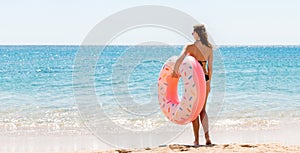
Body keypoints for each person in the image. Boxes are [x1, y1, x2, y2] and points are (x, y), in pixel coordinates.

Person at [172, 24, 213, 145]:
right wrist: (209, 82)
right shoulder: (209, 48)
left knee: (194, 111)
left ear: (197, 33)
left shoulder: (190, 47)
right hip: (205, 80)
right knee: (203, 110)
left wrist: (175, 73)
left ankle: (196, 140)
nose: (191, 34)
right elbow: (210, 68)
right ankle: (207, 138)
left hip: (194, 82)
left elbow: (179, 60)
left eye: (193, 32)